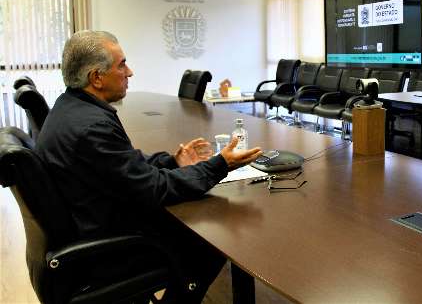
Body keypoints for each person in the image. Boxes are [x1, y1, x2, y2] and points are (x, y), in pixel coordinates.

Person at [36, 30, 263, 303]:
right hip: (110, 248)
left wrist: (173, 161)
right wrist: (220, 164)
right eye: (121, 65)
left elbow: (125, 166)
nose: (129, 72)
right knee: (212, 237)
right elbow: (155, 190)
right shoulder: (92, 127)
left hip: (89, 222)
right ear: (96, 78)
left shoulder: (71, 108)